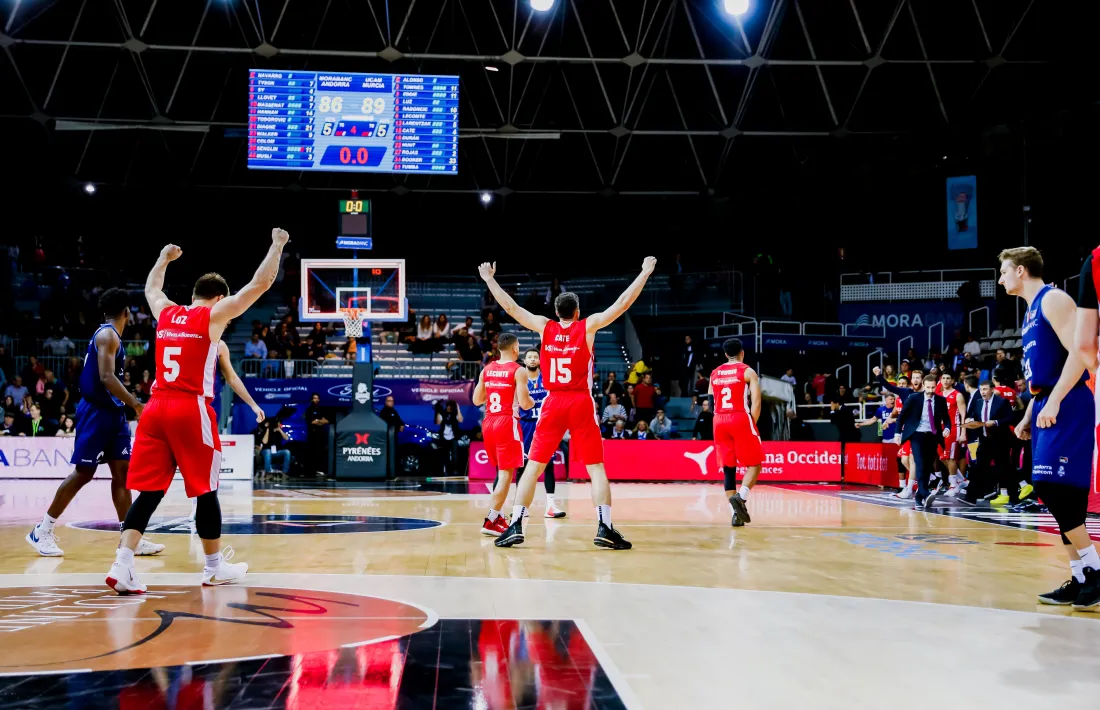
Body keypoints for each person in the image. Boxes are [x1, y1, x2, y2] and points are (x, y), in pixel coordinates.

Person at [105, 228, 288, 595]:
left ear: (192, 295)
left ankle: (122, 564)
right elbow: (260, 284)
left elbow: (152, 289)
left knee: (151, 492)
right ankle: (214, 567)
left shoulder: (167, 313)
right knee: (206, 491)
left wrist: (163, 259)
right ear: (218, 298)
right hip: (190, 408)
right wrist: (277, 245)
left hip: (154, 410)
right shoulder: (213, 316)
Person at [480, 257, 656, 550]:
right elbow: (623, 302)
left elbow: (510, 307)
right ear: (577, 311)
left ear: (556, 312)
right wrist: (644, 272)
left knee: (533, 467)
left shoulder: (544, 327)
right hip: (579, 401)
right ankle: (604, 526)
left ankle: (516, 525)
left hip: (552, 401)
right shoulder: (587, 327)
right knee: (596, 468)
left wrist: (489, 279)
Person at [993, 247, 1097, 609]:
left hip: (1067, 400)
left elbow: (1080, 352)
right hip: (1047, 401)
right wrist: (1029, 413)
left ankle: (1095, 570)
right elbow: (1041, 372)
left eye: (1004, 272)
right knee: (1061, 495)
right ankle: (1082, 577)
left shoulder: (1053, 299)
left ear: (1021, 271)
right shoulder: (1030, 311)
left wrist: (1053, 401)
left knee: (1050, 484)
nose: (1000, 278)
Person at [26, 289, 163, 558]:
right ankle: (41, 530)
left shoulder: (113, 337)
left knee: (123, 475)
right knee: (83, 473)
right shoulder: (107, 335)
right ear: (127, 312)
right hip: (96, 412)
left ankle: (129, 538)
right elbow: (106, 377)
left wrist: (125, 406)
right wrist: (136, 404)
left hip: (113, 414)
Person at [473, 333, 535, 536]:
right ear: (515, 349)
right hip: (507, 422)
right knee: (506, 475)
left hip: (489, 422)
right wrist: (533, 401)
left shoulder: (487, 369)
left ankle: (498, 516)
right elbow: (525, 404)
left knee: (501, 473)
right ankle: (491, 519)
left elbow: (476, 400)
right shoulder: (519, 370)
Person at [709, 338, 763, 527]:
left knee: (728, 469)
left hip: (718, 420)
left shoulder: (715, 373)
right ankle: (742, 497)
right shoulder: (747, 371)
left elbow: (710, 402)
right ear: (742, 352)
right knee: (755, 463)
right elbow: (756, 401)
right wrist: (751, 423)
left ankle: (735, 515)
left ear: (725, 355)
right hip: (739, 416)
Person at [518, 348, 566, 519]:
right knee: (522, 467)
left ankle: (551, 506)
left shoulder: (547, 379)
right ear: (524, 361)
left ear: (539, 361)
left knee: (548, 465)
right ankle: (521, 507)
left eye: (535, 357)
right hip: (526, 426)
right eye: (529, 357)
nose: (532, 359)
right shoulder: (520, 379)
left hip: (545, 426)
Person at [895, 375, 951, 510]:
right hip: (917, 434)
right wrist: (897, 433)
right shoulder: (914, 398)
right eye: (928, 387)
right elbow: (901, 417)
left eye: (933, 387)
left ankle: (919, 497)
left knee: (927, 466)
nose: (931, 390)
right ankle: (925, 493)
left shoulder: (941, 400)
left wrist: (947, 428)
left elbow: (947, 418)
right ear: (923, 385)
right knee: (919, 463)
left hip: (933, 435)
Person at [960, 381, 1014, 504]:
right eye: (981, 390)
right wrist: (970, 419)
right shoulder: (978, 403)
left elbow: (1010, 418)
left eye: (985, 389)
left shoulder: (1001, 402)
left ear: (992, 389)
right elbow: (974, 416)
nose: (983, 392)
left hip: (1000, 440)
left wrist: (995, 422)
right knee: (978, 467)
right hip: (984, 440)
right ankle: (971, 497)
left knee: (1004, 468)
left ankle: (1013, 496)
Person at [933, 371, 967, 499]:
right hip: (941, 429)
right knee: (942, 457)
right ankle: (962, 480)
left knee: (951, 458)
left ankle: (953, 485)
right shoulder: (939, 395)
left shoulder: (957, 395)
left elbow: (963, 414)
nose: (946, 380)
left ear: (952, 381)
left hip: (954, 427)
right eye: (944, 378)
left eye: (948, 378)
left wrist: (963, 431)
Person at [306, 392, 332, 475]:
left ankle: (321, 470)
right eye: (314, 398)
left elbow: (326, 421)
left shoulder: (322, 409)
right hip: (312, 435)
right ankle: (312, 471)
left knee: (321, 452)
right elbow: (311, 422)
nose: (316, 399)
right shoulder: (309, 410)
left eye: (317, 398)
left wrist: (318, 421)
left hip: (321, 435)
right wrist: (320, 421)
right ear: (312, 399)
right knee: (312, 453)